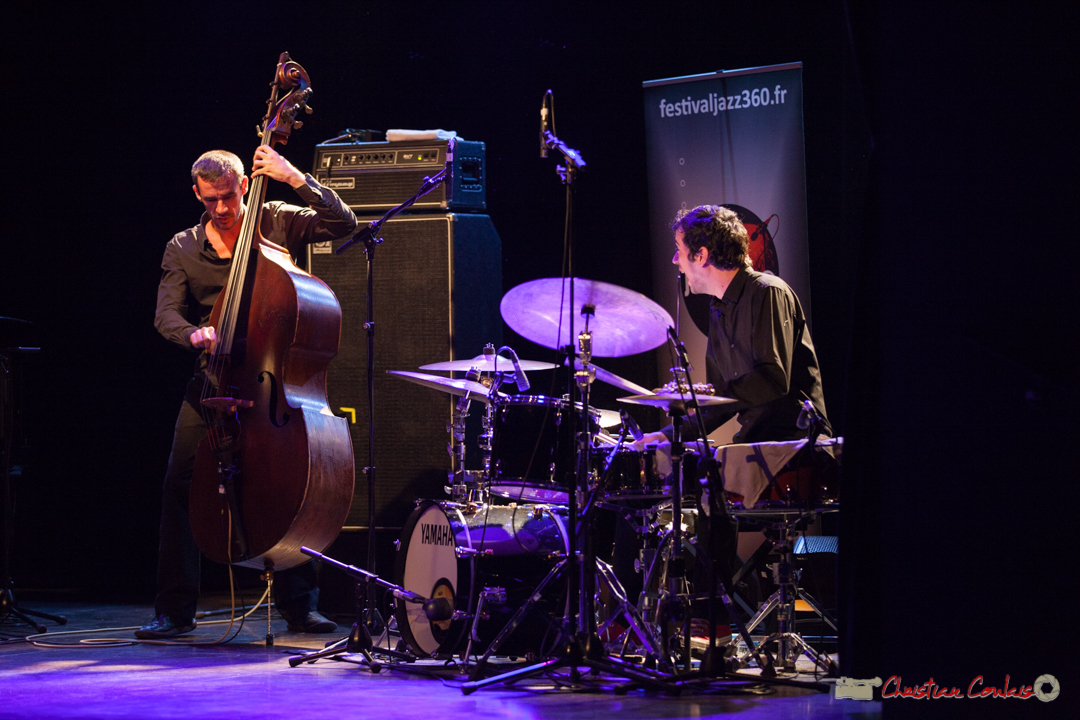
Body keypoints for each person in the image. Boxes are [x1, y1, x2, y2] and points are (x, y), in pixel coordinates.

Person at [137, 147, 358, 639]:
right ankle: (174, 609)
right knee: (179, 483)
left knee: (288, 481)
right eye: (211, 199)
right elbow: (165, 313)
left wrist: (294, 176)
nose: (222, 208)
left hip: (272, 379)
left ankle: (300, 606)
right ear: (197, 193)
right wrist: (192, 334)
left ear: (243, 185)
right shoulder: (183, 246)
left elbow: (344, 224)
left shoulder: (276, 220)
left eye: (231, 196)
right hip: (213, 380)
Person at [628, 204, 832, 642]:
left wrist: (709, 404)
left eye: (679, 250)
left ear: (701, 255)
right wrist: (663, 435)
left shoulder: (767, 292)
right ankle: (696, 614)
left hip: (798, 441)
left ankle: (713, 617)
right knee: (689, 469)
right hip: (756, 444)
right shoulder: (719, 312)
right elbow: (721, 403)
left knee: (709, 477)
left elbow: (773, 379)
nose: (674, 261)